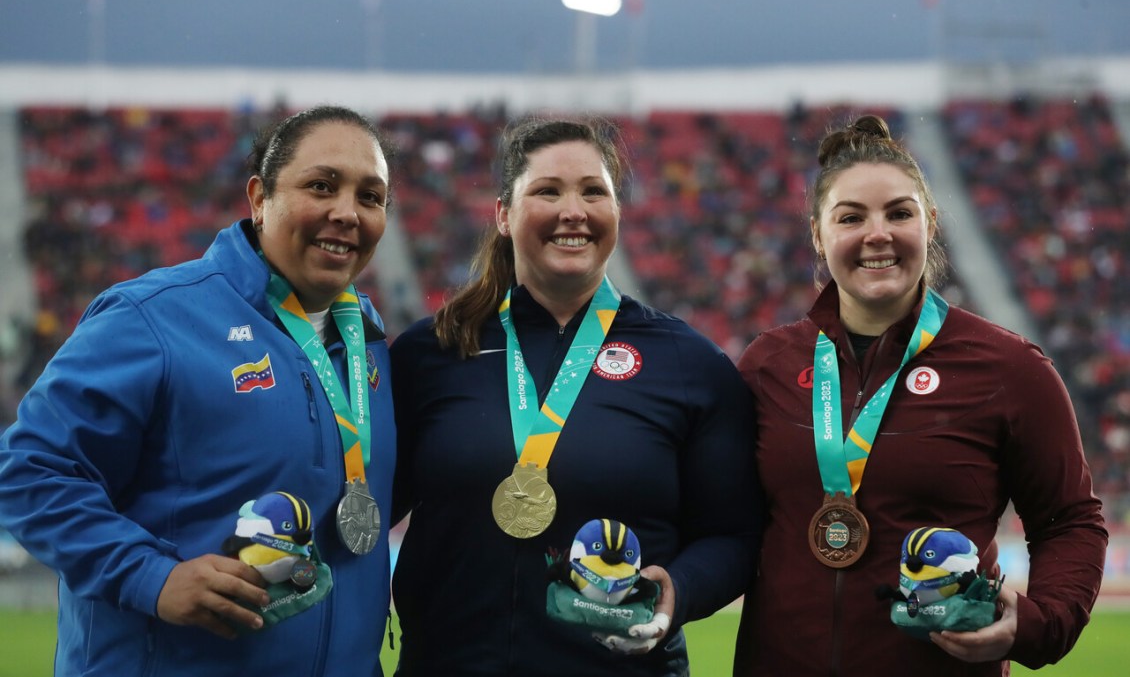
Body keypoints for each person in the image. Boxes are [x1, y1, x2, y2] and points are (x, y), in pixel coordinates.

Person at [0, 105, 397, 676]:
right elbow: (30, 471)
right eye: (321, 186)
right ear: (259, 198)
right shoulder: (153, 317)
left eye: (371, 196)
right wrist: (151, 576)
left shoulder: (371, 344)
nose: (346, 212)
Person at [732, 114, 1108, 676]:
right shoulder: (768, 365)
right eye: (851, 217)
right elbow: (725, 521)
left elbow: (1069, 520)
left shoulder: (1010, 367)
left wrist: (1035, 623)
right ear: (818, 233)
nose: (877, 234)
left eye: (899, 213)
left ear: (929, 223)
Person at [389, 116, 762, 677]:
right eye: (548, 191)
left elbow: (734, 534)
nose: (574, 211)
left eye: (594, 191)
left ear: (617, 211)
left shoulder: (690, 364)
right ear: (504, 215)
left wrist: (678, 592)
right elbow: (363, 506)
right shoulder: (433, 351)